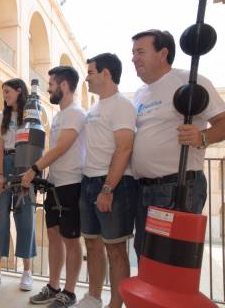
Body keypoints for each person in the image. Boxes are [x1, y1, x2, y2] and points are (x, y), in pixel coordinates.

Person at [131, 29, 225, 260]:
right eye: (133, 53)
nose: (134, 58)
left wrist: (202, 137)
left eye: (140, 51)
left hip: (178, 187)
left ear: (163, 53)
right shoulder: (140, 93)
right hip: (143, 190)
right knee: (145, 255)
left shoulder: (190, 82)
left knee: (169, 261)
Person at [75, 53, 137, 308]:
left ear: (106, 74)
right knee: (92, 243)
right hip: (88, 181)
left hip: (112, 184)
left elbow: (124, 148)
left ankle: (116, 304)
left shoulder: (122, 104)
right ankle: (93, 298)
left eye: (90, 72)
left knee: (116, 249)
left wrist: (108, 188)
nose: (87, 77)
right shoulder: (95, 107)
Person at [23, 67, 86, 307]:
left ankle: (69, 293)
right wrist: (46, 176)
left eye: (51, 84)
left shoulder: (75, 113)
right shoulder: (59, 116)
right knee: (53, 237)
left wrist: (34, 169)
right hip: (55, 184)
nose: (48, 88)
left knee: (71, 240)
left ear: (64, 86)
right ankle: (53, 286)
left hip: (72, 184)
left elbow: (62, 148)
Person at [0, 78, 37, 291]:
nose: (4, 95)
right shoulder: (0, 116)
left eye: (7, 91)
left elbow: (36, 144)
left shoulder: (31, 115)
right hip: (3, 163)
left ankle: (27, 272)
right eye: (3, 92)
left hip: (25, 164)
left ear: (19, 91)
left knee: (26, 216)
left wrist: (32, 171)